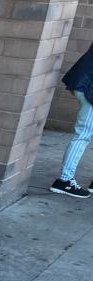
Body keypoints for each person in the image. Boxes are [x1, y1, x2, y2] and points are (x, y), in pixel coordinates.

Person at [51, 43, 93, 198]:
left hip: (85, 86)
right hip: (89, 91)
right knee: (82, 136)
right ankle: (64, 181)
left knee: (83, 135)